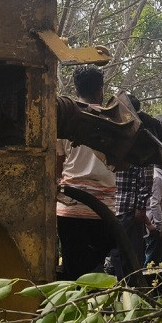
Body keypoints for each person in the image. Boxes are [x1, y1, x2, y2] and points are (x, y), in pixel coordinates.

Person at [56, 66, 117, 280]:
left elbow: (57, 165)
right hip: (103, 210)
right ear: (100, 90)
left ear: (76, 89)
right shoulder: (112, 121)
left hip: (69, 210)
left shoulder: (64, 119)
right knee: (96, 272)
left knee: (73, 272)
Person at [111, 95, 154, 279]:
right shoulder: (116, 133)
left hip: (129, 209)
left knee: (130, 256)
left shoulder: (141, 138)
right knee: (118, 255)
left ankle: (131, 289)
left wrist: (140, 207)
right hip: (117, 207)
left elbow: (147, 177)